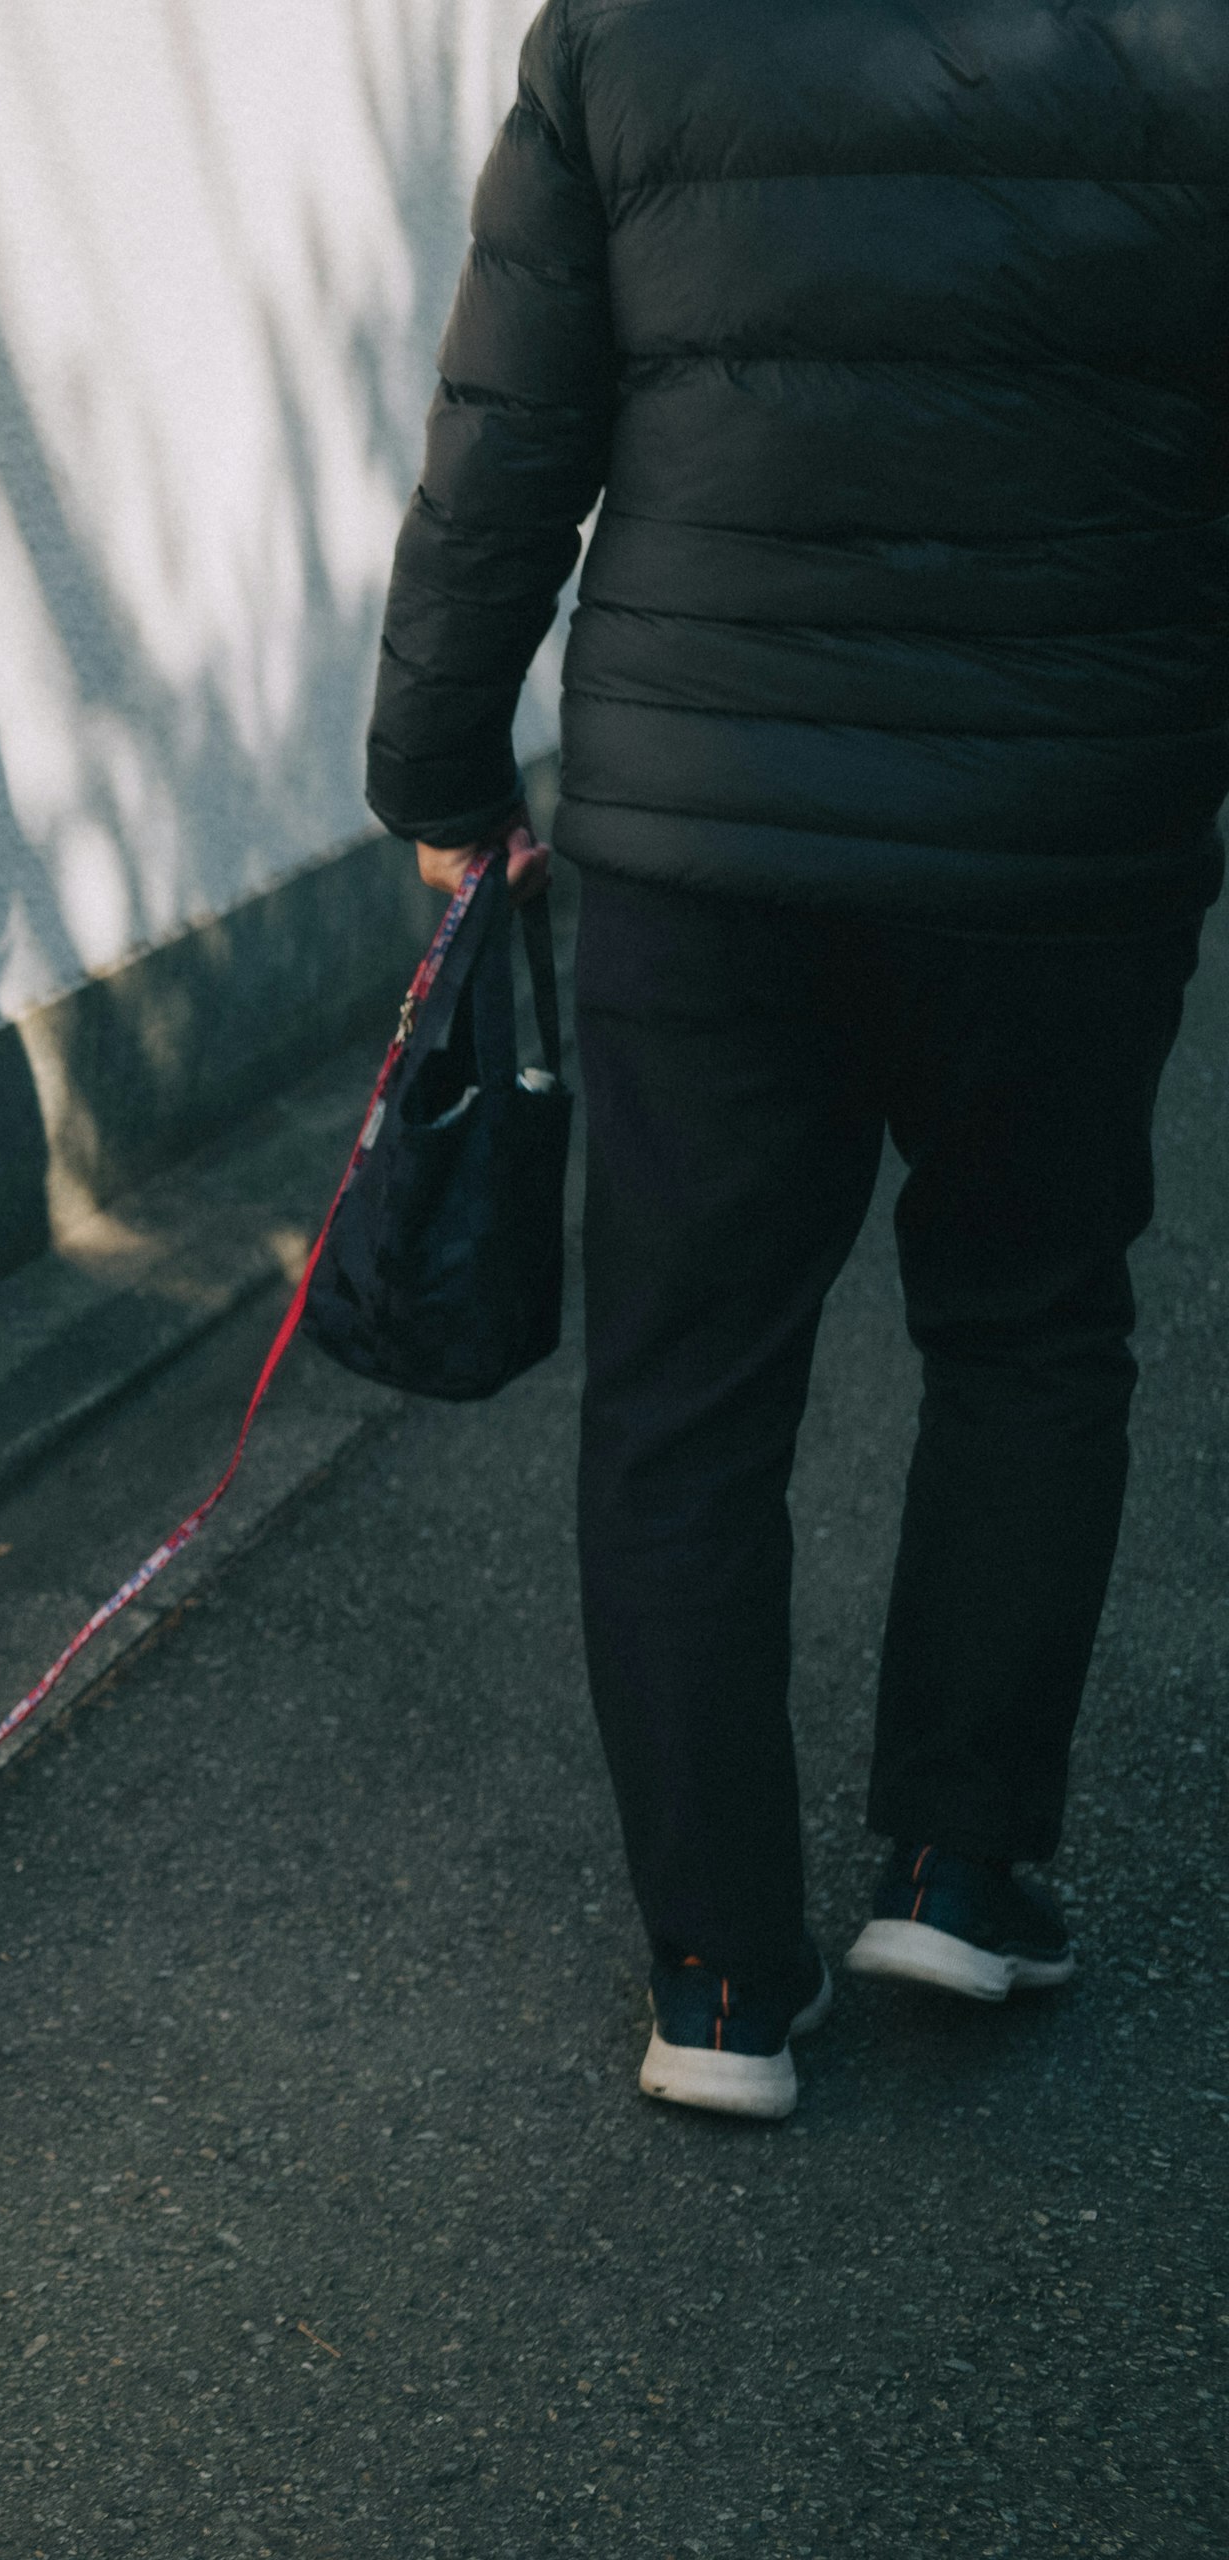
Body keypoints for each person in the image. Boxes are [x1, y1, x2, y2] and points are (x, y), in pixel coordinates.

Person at [366, 0, 1229, 2119]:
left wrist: (438, 763)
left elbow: (509, 431)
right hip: (1068, 821)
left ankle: (723, 1986)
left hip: (703, 846)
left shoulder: (630, 29)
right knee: (1030, 1317)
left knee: (686, 1390)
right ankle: (958, 1857)